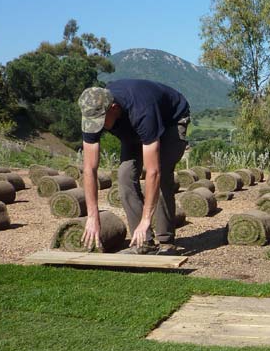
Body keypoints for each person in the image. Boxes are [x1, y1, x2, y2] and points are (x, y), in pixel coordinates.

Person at [78, 79, 190, 253]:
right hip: (130, 127)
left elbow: (153, 172)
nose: (97, 128)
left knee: (162, 173)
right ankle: (145, 243)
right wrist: (93, 216)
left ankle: (165, 240)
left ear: (114, 108)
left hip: (171, 121)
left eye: (101, 121)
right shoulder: (92, 112)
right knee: (124, 176)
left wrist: (146, 219)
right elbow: (89, 169)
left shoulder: (143, 112)